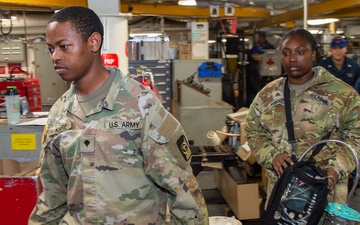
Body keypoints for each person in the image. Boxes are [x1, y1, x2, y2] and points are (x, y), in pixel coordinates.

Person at [28, 6, 208, 225]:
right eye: (50, 49)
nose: (55, 56)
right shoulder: (59, 113)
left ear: (93, 42)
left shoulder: (141, 106)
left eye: (64, 47)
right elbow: (52, 195)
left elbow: (183, 192)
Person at [245, 28, 360, 210]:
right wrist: (271, 155)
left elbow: (356, 136)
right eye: (286, 53)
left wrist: (336, 169)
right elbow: (253, 131)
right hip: (282, 192)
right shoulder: (267, 95)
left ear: (313, 54)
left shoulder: (343, 95)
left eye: (300, 52)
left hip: (326, 195)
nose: (292, 59)